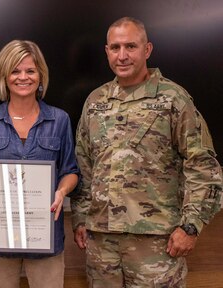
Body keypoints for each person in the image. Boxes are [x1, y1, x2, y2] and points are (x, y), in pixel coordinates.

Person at [71, 16, 222, 287]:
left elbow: (203, 165)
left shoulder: (173, 98)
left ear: (147, 49)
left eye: (131, 46)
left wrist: (191, 226)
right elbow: (83, 163)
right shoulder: (95, 102)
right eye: (115, 48)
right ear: (107, 52)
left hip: (157, 244)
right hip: (102, 244)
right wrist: (80, 217)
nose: (123, 55)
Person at [0, 40, 79, 288]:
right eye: (15, 71)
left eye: (30, 71)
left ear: (41, 75)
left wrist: (62, 191)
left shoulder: (60, 120)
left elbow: (70, 170)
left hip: (46, 235)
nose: (23, 77)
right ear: (4, 76)